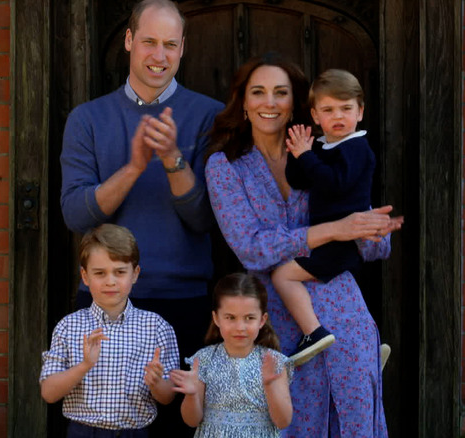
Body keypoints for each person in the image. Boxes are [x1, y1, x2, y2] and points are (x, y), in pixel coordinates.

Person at [205, 52, 402, 437]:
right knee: (291, 424)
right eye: (258, 92)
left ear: (294, 103)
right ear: (243, 102)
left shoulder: (324, 152)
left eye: (280, 92)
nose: (270, 102)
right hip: (276, 319)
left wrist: (374, 230)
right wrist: (332, 231)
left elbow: (369, 239)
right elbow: (250, 247)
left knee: (353, 420)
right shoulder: (226, 166)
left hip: (344, 310)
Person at [59, 0, 223, 435]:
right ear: (129, 41)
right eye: (149, 41)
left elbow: (207, 218)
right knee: (104, 425)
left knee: (179, 428)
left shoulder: (210, 116)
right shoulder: (88, 119)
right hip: (105, 305)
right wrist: (133, 167)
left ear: (183, 48)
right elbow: (76, 214)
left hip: (184, 304)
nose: (159, 55)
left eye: (170, 44)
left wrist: (171, 158)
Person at [271, 69, 396, 366]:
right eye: (328, 110)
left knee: (282, 275)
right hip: (330, 238)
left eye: (346, 108)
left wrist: (306, 156)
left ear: (360, 112)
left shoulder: (357, 149)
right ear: (315, 116)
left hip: (342, 241)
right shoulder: (324, 146)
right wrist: (298, 153)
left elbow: (333, 183)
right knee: (339, 301)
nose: (338, 116)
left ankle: (312, 333)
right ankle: (366, 351)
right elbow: (300, 180)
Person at [40, 224, 179, 437]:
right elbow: (48, 393)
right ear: (85, 277)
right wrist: (85, 365)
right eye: (100, 273)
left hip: (135, 432)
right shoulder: (69, 327)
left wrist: (157, 383)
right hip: (83, 432)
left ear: (135, 274)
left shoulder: (156, 327)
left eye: (120, 272)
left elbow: (168, 397)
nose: (110, 281)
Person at [169, 273, 293, 438]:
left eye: (249, 318)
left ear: (262, 320)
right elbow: (192, 421)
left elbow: (283, 421)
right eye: (231, 318)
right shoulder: (204, 359)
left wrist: (270, 387)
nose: (240, 327)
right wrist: (191, 395)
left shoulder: (274, 362)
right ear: (216, 318)